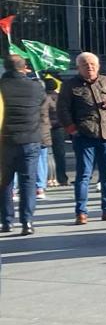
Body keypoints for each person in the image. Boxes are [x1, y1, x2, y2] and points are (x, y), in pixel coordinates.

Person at [58, 51, 106, 225]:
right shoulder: (70, 85)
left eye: (93, 64)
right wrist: (72, 129)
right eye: (85, 65)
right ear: (78, 67)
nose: (89, 67)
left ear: (98, 66)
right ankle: (81, 212)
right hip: (84, 135)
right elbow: (62, 109)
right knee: (84, 175)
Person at [0, 54, 45, 236]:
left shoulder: (1, 87)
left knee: (5, 182)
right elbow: (41, 103)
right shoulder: (35, 86)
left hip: (5, 140)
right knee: (28, 181)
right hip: (30, 139)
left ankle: (6, 221)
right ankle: (27, 222)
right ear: (24, 67)